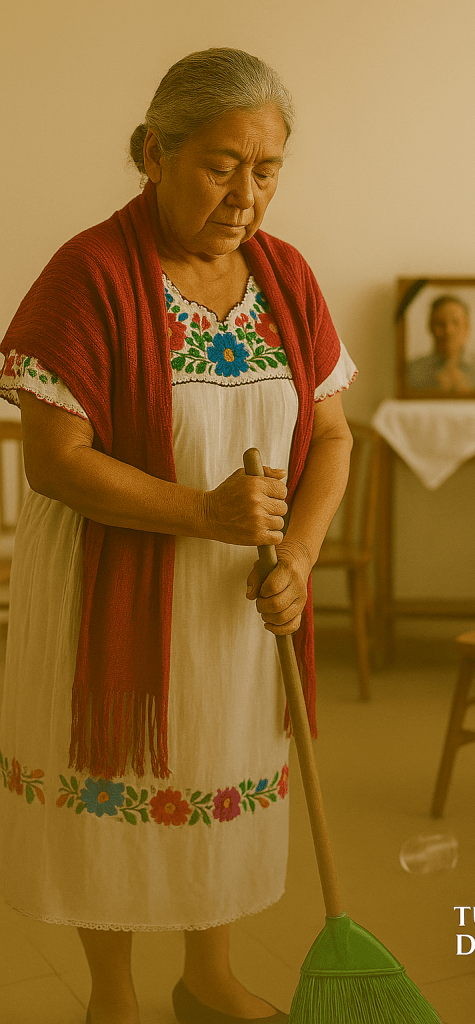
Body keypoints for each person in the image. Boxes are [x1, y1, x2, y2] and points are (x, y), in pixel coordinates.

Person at [0, 48, 356, 1024]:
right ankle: (111, 995)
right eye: (221, 166)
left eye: (266, 170)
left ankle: (208, 977)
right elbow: (54, 462)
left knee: (213, 775)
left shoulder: (285, 277)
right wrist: (204, 514)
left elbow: (331, 437)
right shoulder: (88, 272)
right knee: (111, 786)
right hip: (109, 591)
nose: (245, 196)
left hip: (236, 608)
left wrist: (298, 556)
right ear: (156, 154)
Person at [406, 294, 475, 392]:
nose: (448, 330)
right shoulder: (412, 370)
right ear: (430, 327)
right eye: (440, 323)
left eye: (456, 322)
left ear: (467, 328)